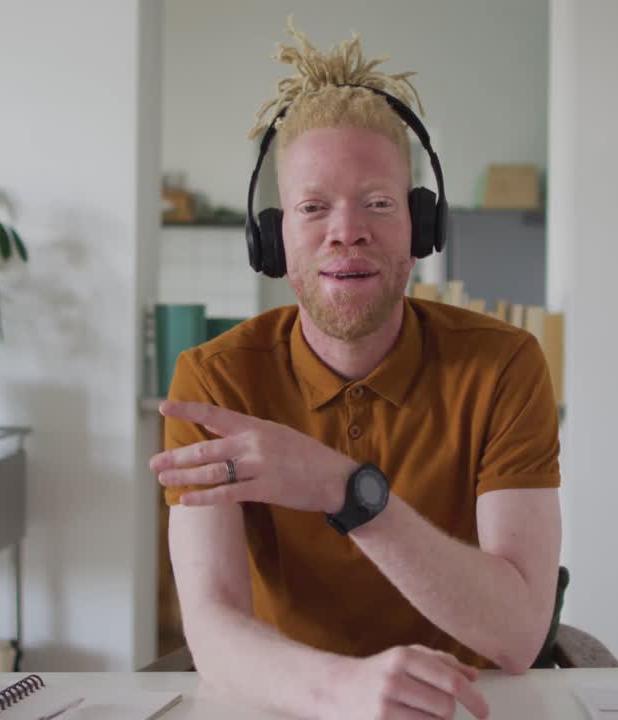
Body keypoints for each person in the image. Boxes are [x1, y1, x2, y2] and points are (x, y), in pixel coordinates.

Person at [149, 20, 561, 720]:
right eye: (314, 207)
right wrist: (346, 692)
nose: (347, 230)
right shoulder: (213, 382)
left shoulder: (505, 365)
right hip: (284, 707)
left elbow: (521, 636)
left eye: (377, 202)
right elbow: (211, 630)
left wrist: (346, 491)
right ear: (273, 236)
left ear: (419, 225)